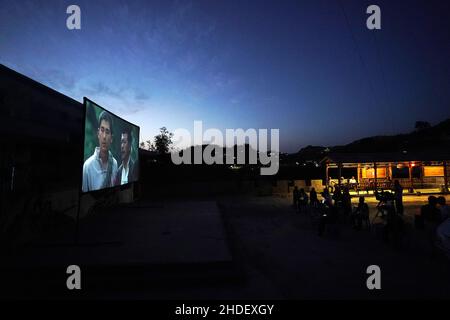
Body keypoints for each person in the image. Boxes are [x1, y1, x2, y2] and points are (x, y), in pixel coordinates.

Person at [82, 111, 118, 192]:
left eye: (107, 132)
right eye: (102, 130)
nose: (104, 136)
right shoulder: (87, 166)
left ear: (111, 138)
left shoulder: (115, 164)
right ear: (98, 133)